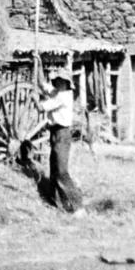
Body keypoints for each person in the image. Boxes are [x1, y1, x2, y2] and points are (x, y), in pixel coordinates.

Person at [37, 71, 84, 214]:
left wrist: (35, 99)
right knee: (54, 170)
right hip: (56, 134)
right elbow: (43, 85)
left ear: (66, 84)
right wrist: (38, 64)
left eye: (61, 81)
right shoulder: (59, 92)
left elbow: (41, 107)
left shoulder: (63, 97)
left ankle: (77, 206)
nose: (57, 83)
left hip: (62, 134)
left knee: (62, 172)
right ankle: (56, 203)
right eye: (56, 80)